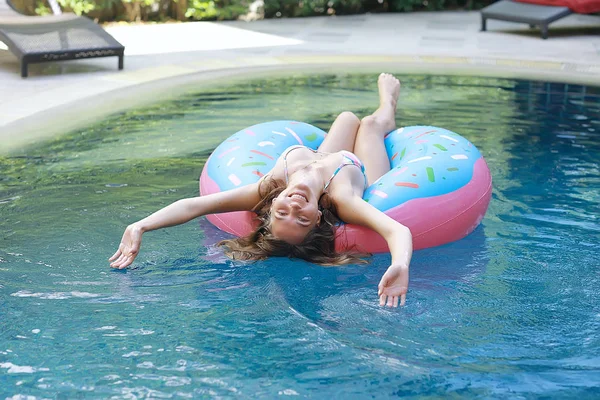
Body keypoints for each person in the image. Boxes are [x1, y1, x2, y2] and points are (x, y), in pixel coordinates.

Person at [110, 73, 412, 307]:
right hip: (354, 170)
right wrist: (400, 265)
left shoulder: (269, 187)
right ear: (318, 217)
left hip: (321, 159)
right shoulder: (342, 198)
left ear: (273, 204)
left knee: (347, 117)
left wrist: (141, 225)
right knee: (370, 124)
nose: (294, 206)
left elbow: (195, 206)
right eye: (302, 219)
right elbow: (397, 231)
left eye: (283, 212)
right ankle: (389, 104)